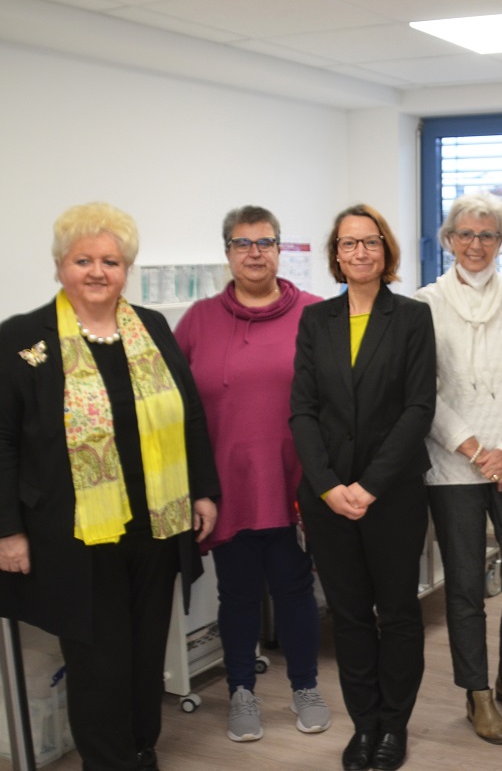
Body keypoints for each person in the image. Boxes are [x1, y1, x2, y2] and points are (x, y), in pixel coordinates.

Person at [0, 202, 220, 771]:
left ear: (126, 269)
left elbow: (188, 414)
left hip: (156, 525)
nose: (98, 272)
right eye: (83, 260)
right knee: (98, 659)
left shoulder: (151, 326)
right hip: (73, 535)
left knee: (146, 653)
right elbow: (2, 443)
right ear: (59, 267)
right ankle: (107, 761)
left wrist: (202, 490)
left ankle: (141, 747)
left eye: (111, 261)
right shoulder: (23, 339)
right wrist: (8, 531)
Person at [290, 204, 436, 771]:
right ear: (335, 254)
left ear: (386, 250)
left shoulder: (412, 317)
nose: (360, 253)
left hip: (392, 494)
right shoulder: (316, 321)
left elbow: (418, 407)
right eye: (348, 244)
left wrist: (369, 486)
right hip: (328, 500)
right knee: (349, 615)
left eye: (370, 242)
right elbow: (302, 410)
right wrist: (327, 487)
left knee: (397, 612)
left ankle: (393, 727)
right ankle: (364, 724)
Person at [174, 205, 328, 743]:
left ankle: (305, 687)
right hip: (227, 488)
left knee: (294, 589)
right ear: (228, 253)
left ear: (279, 249)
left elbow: (335, 403)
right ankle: (242, 691)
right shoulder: (197, 320)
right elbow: (178, 409)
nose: (255, 253)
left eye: (265, 242)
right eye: (243, 244)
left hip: (296, 484)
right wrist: (195, 488)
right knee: (236, 594)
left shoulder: (315, 314)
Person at [414, 192, 502, 745]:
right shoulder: (424, 302)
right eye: (465, 234)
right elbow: (426, 390)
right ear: (449, 239)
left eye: (488, 235)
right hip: (452, 467)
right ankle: (476, 693)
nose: (476, 245)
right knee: (465, 586)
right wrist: (474, 449)